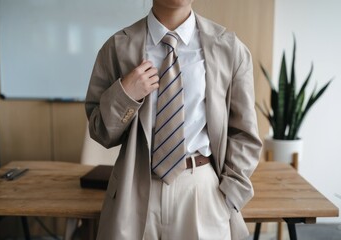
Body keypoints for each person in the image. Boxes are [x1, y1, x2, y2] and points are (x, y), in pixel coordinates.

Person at [85, 0, 262, 239]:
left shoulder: (229, 48)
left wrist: (230, 193)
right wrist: (125, 95)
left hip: (202, 192)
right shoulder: (117, 46)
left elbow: (245, 133)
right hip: (134, 187)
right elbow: (100, 131)